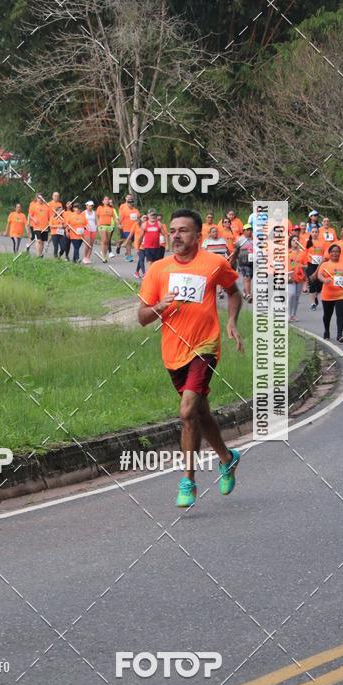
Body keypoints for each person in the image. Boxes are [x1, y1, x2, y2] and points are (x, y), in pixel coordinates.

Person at [138, 209, 242, 508]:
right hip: (173, 352)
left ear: (198, 236)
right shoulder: (158, 269)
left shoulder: (214, 264)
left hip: (205, 347)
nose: (175, 235)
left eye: (183, 230)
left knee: (186, 412)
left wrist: (232, 322)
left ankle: (188, 480)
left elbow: (234, 293)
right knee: (200, 413)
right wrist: (160, 305)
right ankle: (227, 458)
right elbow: (142, 318)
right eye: (172, 230)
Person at [317, 244, 343, 342]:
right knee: (327, 315)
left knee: (340, 314)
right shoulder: (325, 264)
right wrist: (324, 280)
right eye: (333, 251)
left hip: (342, 293)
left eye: (337, 251)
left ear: (340, 253)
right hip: (328, 294)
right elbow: (319, 275)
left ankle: (340, 335)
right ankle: (326, 331)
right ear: (329, 253)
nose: (335, 253)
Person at [288, 233, 307, 321]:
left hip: (299, 277)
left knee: (297, 297)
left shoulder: (303, 253)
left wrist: (299, 265)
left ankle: (293, 315)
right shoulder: (287, 253)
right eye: (293, 240)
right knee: (291, 295)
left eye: (297, 240)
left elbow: (306, 265)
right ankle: (288, 314)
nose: (295, 242)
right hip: (290, 277)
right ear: (290, 242)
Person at [304, 225, 323, 310]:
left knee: (320, 286)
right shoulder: (307, 242)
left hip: (320, 265)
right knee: (312, 283)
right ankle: (313, 303)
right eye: (313, 232)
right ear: (310, 233)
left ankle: (315, 296)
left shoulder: (323, 242)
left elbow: (325, 254)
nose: (315, 233)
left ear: (318, 233)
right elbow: (304, 254)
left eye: (316, 232)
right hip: (310, 264)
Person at [235, 223, 254, 303]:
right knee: (247, 277)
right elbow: (236, 251)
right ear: (243, 231)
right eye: (247, 230)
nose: (249, 231)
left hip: (253, 261)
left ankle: (245, 291)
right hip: (243, 261)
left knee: (250, 277)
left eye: (250, 230)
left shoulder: (255, 239)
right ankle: (249, 295)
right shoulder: (240, 240)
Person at [117, 195, 139, 261]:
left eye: (132, 202)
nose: (131, 204)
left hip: (135, 229)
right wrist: (119, 225)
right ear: (127, 203)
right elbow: (120, 219)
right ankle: (129, 256)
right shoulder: (124, 210)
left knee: (130, 241)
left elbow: (138, 219)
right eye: (129, 202)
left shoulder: (136, 211)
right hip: (126, 228)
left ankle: (119, 243)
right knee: (128, 241)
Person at [96, 196, 115, 262]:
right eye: (105, 199)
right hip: (102, 226)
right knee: (103, 240)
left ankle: (104, 255)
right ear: (103, 201)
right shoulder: (100, 207)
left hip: (109, 226)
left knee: (107, 241)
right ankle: (103, 256)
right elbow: (96, 216)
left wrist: (118, 224)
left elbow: (114, 217)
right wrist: (98, 223)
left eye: (108, 199)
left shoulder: (111, 209)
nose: (107, 200)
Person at [128, 213, 147, 279]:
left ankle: (136, 272)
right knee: (141, 258)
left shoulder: (147, 225)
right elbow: (131, 234)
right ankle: (144, 273)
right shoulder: (136, 225)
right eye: (144, 217)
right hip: (138, 244)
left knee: (141, 259)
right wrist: (126, 242)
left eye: (146, 217)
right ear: (140, 219)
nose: (145, 219)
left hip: (145, 244)